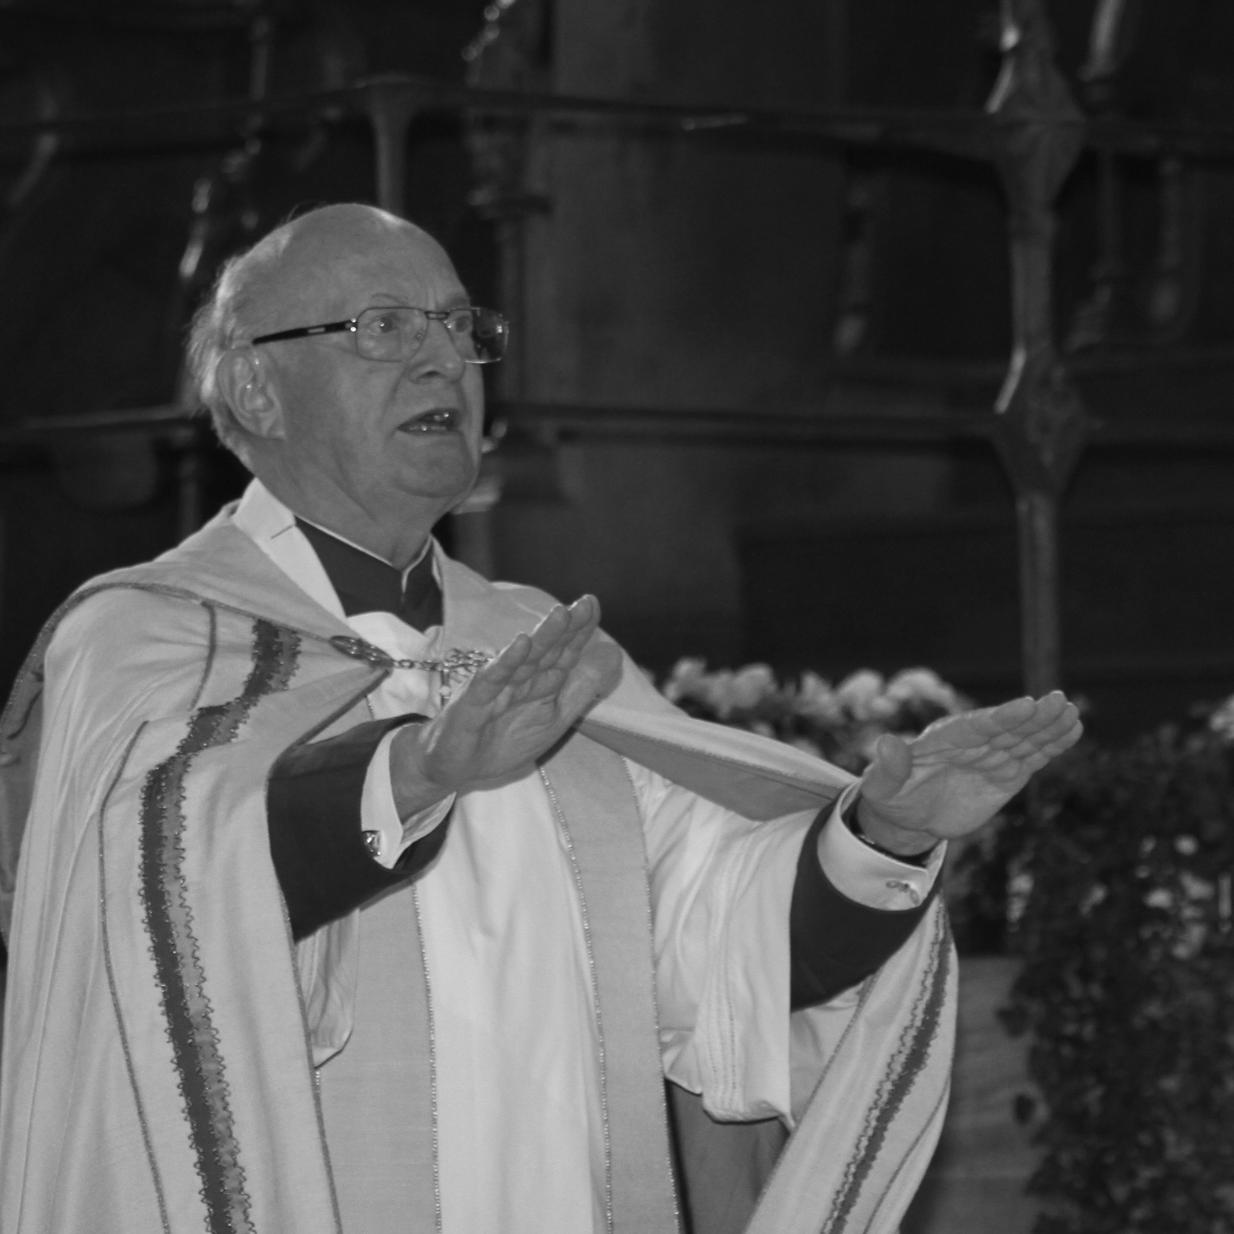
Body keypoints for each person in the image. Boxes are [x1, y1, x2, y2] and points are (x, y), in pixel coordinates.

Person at [0, 202, 1081, 1234]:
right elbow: (149, 902)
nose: (443, 362)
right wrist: (412, 775)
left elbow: (721, 947)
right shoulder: (144, 638)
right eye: (384, 327)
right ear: (256, 387)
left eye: (461, 328)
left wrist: (882, 836)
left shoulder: (541, 651)